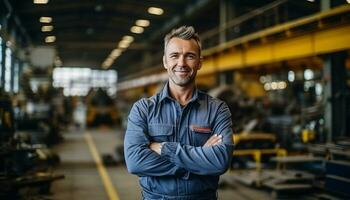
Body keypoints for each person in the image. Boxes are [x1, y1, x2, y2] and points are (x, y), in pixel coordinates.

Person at [124, 26, 233, 200]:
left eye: (189, 56)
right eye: (174, 56)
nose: (181, 63)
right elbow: (135, 162)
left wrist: (164, 149)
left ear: (199, 62)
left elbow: (220, 161)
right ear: (165, 61)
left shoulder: (217, 109)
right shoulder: (143, 109)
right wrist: (198, 158)